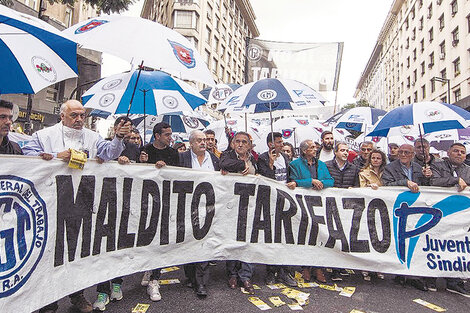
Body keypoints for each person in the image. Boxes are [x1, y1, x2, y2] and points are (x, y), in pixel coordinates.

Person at [22, 100, 131, 313]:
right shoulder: (43, 136)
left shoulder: (92, 137)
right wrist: (54, 157)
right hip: (49, 205)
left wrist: (118, 136)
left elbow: (109, 153)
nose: (80, 119)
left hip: (81, 202)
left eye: (82, 115)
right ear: (62, 116)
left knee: (74, 252)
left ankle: (77, 295)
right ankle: (48, 302)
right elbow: (25, 157)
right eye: (74, 115)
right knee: (48, 254)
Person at [139, 122, 180, 301]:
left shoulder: (172, 153)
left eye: (170, 134)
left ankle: (155, 279)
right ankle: (148, 267)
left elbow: (179, 174)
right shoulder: (145, 150)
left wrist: (167, 169)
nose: (170, 137)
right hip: (146, 201)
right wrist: (141, 163)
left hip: (165, 201)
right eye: (167, 135)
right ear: (157, 136)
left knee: (161, 239)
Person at [382, 144, 431, 291]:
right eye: (401, 152)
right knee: (400, 240)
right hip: (399, 209)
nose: (403, 154)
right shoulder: (390, 168)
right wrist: (405, 183)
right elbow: (386, 184)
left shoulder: (419, 168)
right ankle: (400, 273)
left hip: (417, 209)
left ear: (412, 154)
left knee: (416, 241)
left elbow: (427, 187)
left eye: (407, 152)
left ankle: (415, 276)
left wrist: (427, 177)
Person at [178, 130, 220, 297]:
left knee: (204, 243)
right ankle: (190, 276)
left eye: (204, 140)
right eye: (199, 140)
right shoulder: (182, 158)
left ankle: (201, 283)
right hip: (188, 207)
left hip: (208, 207)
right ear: (191, 144)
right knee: (189, 242)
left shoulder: (214, 159)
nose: (203, 143)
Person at [289, 139, 334, 283]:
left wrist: (320, 183)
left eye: (315, 147)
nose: (315, 149)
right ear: (304, 151)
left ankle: (318, 268)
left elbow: (330, 181)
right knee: (305, 235)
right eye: (312, 147)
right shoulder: (294, 165)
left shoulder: (321, 164)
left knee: (319, 235)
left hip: (319, 204)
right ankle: (305, 267)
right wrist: (311, 182)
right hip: (302, 204)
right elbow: (293, 181)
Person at [429, 143, 470, 297]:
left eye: (462, 152)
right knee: (434, 244)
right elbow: (434, 182)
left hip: (460, 216)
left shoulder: (468, 170)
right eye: (456, 151)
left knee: (456, 246)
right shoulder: (437, 165)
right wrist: (455, 180)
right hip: (439, 212)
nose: (459, 154)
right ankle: (430, 276)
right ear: (448, 152)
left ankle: (454, 281)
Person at [220, 131, 257, 294]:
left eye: (244, 142)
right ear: (233, 143)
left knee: (249, 241)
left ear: (249, 145)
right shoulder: (227, 155)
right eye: (238, 141)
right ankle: (232, 274)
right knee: (232, 239)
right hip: (232, 205)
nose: (241, 144)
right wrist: (242, 166)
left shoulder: (254, 158)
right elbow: (225, 164)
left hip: (251, 205)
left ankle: (246, 276)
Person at [257, 132, 297, 287]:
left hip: (285, 201)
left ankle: (284, 271)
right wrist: (271, 165)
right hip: (270, 201)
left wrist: (293, 182)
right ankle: (271, 271)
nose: (281, 144)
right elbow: (266, 179)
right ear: (270, 144)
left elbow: (290, 176)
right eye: (279, 142)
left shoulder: (286, 158)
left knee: (286, 237)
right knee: (272, 237)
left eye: (281, 142)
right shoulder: (262, 158)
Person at [325, 142, 360, 281]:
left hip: (346, 206)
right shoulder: (326, 166)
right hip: (331, 205)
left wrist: (353, 189)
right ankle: (333, 268)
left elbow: (357, 185)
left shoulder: (354, 168)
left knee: (344, 235)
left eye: (347, 150)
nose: (345, 153)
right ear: (335, 152)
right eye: (342, 150)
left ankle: (340, 265)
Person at [358, 149, 387, 281]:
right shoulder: (363, 173)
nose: (375, 160)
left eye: (378, 158)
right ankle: (366, 267)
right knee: (369, 237)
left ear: (382, 160)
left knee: (382, 238)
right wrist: (370, 188)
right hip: (369, 208)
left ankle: (379, 267)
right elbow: (360, 189)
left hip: (384, 209)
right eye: (373, 158)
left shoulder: (386, 173)